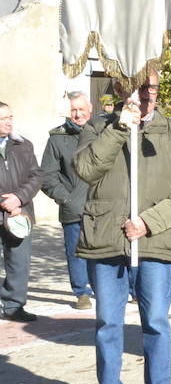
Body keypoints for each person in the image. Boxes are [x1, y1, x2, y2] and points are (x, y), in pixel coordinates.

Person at [71, 69, 171, 384]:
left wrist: (150, 221)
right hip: (106, 239)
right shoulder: (98, 127)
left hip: (154, 241)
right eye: (141, 88)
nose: (150, 95)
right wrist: (119, 128)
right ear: (121, 87)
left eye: (155, 89)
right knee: (107, 324)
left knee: (157, 324)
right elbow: (85, 169)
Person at [41, 92, 95, 309]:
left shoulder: (102, 133)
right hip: (73, 207)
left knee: (109, 251)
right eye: (74, 110)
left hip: (103, 206)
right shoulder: (57, 139)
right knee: (76, 251)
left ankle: (118, 288)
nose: (78, 114)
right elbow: (47, 176)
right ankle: (81, 292)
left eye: (81, 109)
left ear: (90, 109)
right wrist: (66, 198)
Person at [0, 102, 41, 322]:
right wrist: (3, 201)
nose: (8, 121)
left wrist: (18, 198)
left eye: (10, 117)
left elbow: (36, 176)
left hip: (19, 213)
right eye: (3, 118)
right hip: (5, 208)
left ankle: (14, 306)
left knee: (19, 261)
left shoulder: (24, 145)